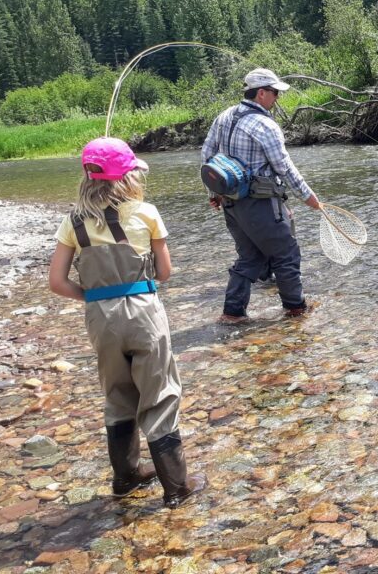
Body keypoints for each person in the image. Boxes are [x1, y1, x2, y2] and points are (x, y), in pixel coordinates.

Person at [48, 137, 206, 509]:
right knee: (161, 395)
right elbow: (165, 273)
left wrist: (93, 297)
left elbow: (57, 282)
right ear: (128, 178)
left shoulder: (72, 220)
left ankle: (127, 478)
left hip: (99, 317)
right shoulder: (146, 212)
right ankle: (176, 487)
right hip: (143, 311)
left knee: (118, 396)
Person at [202, 67, 323, 324]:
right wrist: (308, 197)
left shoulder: (223, 116)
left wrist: (214, 192)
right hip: (260, 204)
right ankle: (296, 310)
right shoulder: (265, 125)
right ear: (260, 93)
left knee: (250, 256)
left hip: (231, 203)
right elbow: (284, 167)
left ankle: (232, 313)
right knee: (286, 253)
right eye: (275, 92)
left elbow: (207, 155)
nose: (277, 97)